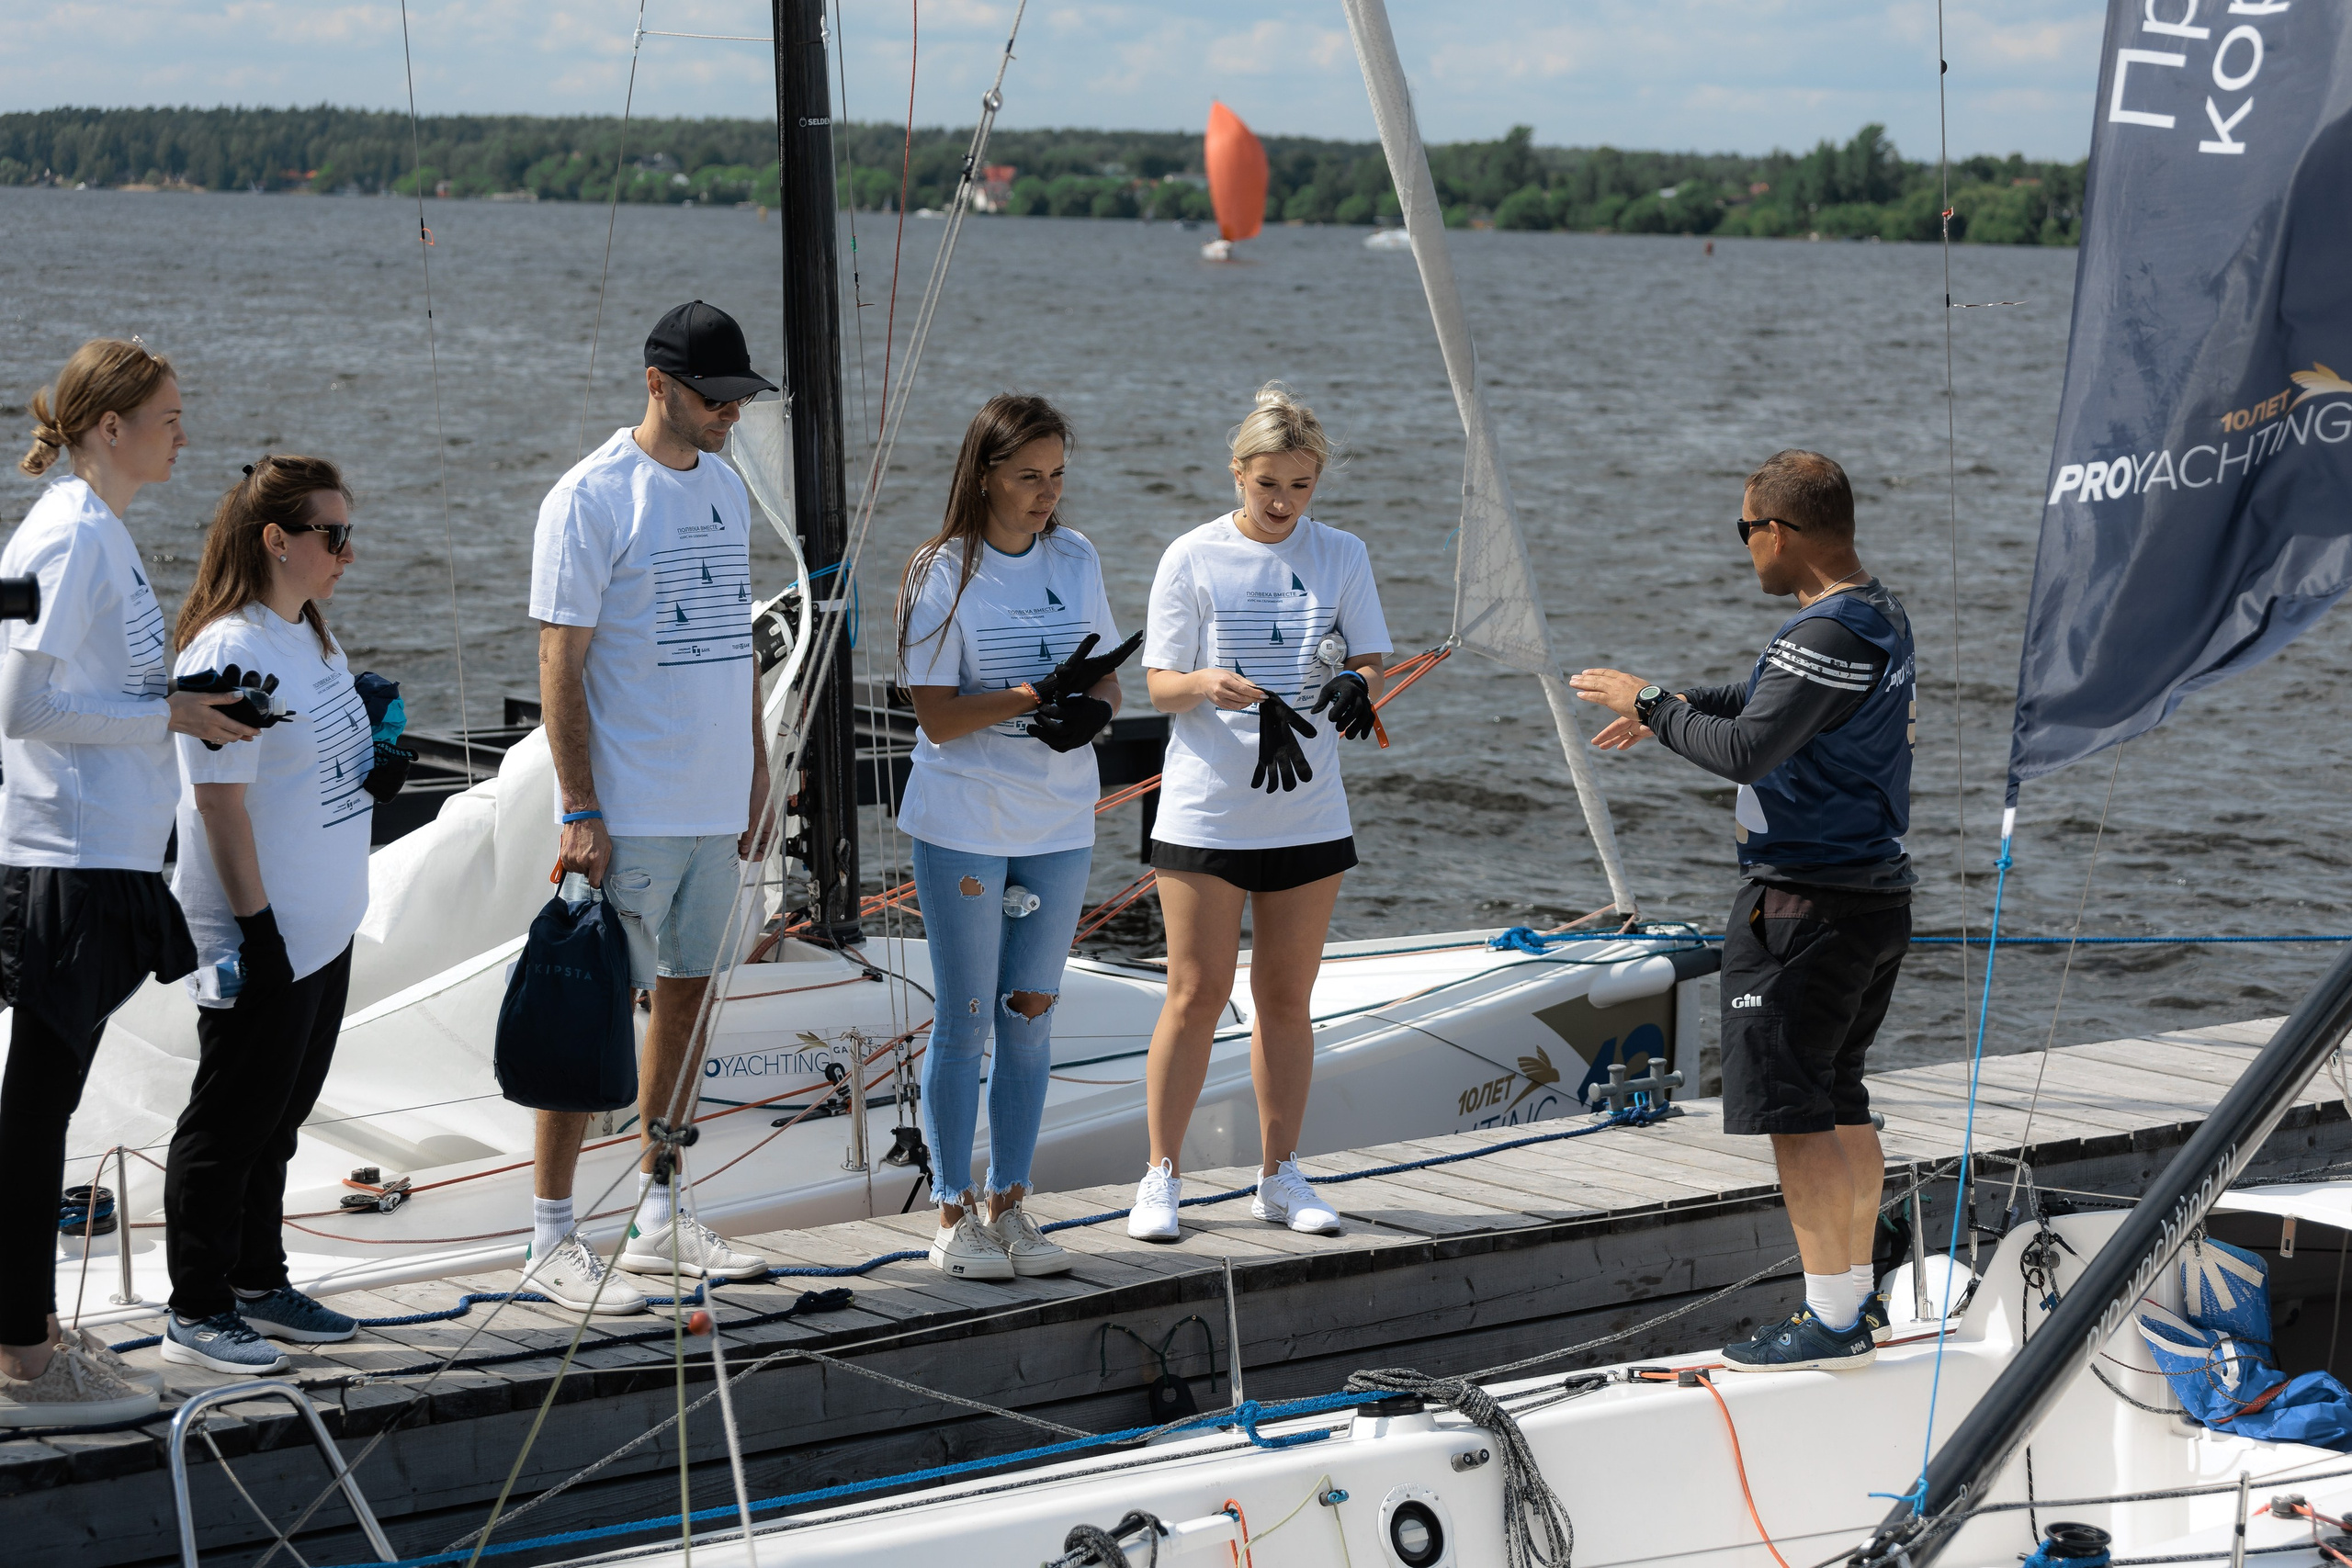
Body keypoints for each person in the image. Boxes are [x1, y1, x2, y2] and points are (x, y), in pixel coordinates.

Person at [1570, 449, 1915, 1372]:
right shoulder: (1873, 614)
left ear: (1781, 532)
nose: (1744, 551)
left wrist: (1642, 699)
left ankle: (1832, 1318)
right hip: (1870, 901)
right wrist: (1671, 706)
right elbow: (1765, 701)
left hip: (1799, 909)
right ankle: (1856, 1300)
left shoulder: (1819, 635)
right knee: (1838, 1100)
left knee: (1795, 1116)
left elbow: (1749, 749)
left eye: (1745, 530)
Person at [0, 339, 257, 1426]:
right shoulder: (72, 536)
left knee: (39, 1109)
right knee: (35, 1116)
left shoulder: (94, 532)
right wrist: (167, 715)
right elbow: (22, 706)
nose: (182, 432)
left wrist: (183, 702)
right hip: (68, 864)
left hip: (94, 858)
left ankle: (33, 1332)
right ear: (111, 428)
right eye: (167, 415)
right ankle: (21, 1354)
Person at [525, 300, 779, 1314]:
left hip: (716, 804)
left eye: (737, 400)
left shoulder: (724, 486)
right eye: (713, 398)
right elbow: (559, 662)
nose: (727, 414)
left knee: (690, 998)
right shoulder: (590, 499)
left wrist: (758, 775)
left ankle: (660, 1215)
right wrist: (578, 805)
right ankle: (549, 1234)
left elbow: (734, 645)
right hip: (626, 810)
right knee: (584, 1018)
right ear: (657, 385)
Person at [160, 456, 411, 1375]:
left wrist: (375, 762)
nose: (347, 550)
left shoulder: (311, 636)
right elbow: (220, 807)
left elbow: (315, 759)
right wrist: (257, 932)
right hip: (259, 932)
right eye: (332, 535)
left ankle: (259, 1282)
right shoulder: (231, 651)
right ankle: (194, 1305)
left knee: (280, 1118)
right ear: (278, 540)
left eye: (348, 532)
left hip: (323, 927)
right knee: (227, 1122)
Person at [1126, 383, 1389, 1244]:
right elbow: (1160, 684)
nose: (1282, 503)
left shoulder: (1342, 552)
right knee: (1195, 993)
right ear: (1238, 472)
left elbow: (1373, 656)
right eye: (1267, 483)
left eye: (1301, 486)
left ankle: (1280, 1176)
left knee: (1286, 998)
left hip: (1309, 814)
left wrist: (1359, 681)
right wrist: (1207, 682)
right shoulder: (1192, 557)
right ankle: (1160, 1174)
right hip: (1206, 816)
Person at [895, 394, 1138, 1280]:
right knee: (965, 1019)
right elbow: (937, 716)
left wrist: (1091, 716)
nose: (1046, 493)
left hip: (1058, 819)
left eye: (1058, 475)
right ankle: (953, 1212)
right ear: (986, 474)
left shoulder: (1075, 557)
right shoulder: (940, 571)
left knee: (1031, 1016)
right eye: (1028, 476)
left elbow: (1109, 678)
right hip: (964, 815)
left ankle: (1013, 1204)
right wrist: (1036, 697)